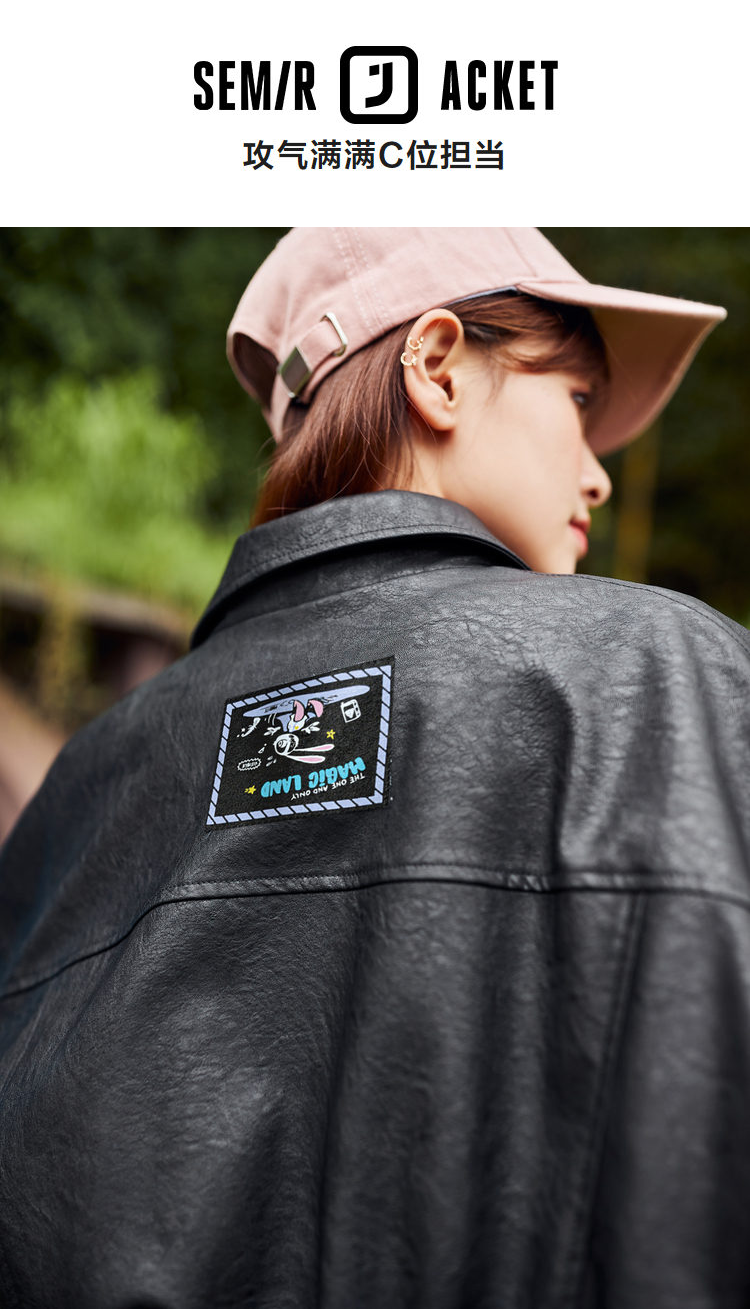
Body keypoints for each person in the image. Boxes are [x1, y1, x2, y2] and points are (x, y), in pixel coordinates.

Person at [0, 226, 748, 1309]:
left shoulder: (83, 784)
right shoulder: (671, 679)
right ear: (437, 369)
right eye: (580, 401)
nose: (598, 474)